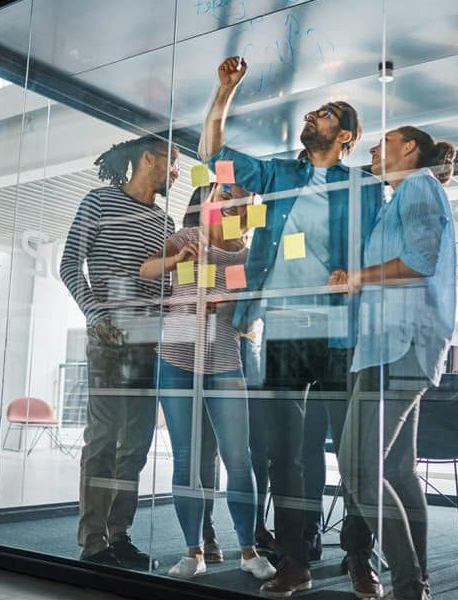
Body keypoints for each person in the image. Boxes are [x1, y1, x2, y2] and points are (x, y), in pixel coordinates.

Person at [199, 56, 383, 598]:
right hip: (280, 331)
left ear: (344, 136)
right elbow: (212, 157)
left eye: (326, 115)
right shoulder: (279, 172)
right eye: (315, 110)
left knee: (351, 455)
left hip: (341, 334)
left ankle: (359, 556)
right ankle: (296, 559)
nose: (314, 115)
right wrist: (224, 91)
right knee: (288, 455)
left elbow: (376, 254)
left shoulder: (364, 188)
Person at [336, 126, 457, 600]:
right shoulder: (403, 195)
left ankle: (409, 589)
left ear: (409, 149)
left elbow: (420, 261)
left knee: (359, 470)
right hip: (394, 346)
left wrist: (358, 277)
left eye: (382, 142)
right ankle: (418, 583)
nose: (372, 149)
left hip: (398, 347)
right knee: (399, 472)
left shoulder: (420, 185)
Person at [141, 184, 276, 581]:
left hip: (222, 359)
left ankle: (248, 551)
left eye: (234, 196)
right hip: (176, 358)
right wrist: (175, 261)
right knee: (186, 458)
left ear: (243, 208)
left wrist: (231, 307)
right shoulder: (187, 237)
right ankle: (192, 551)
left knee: (239, 458)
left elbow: (248, 313)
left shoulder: (245, 255)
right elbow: (146, 269)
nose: (224, 200)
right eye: (219, 193)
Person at [60, 135, 179, 569]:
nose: (177, 172)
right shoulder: (98, 202)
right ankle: (93, 542)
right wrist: (96, 315)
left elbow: (165, 286)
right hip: (110, 337)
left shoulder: (165, 223)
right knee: (104, 440)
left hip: (151, 340)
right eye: (175, 161)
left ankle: (120, 533)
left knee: (136, 443)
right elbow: (70, 262)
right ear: (149, 158)